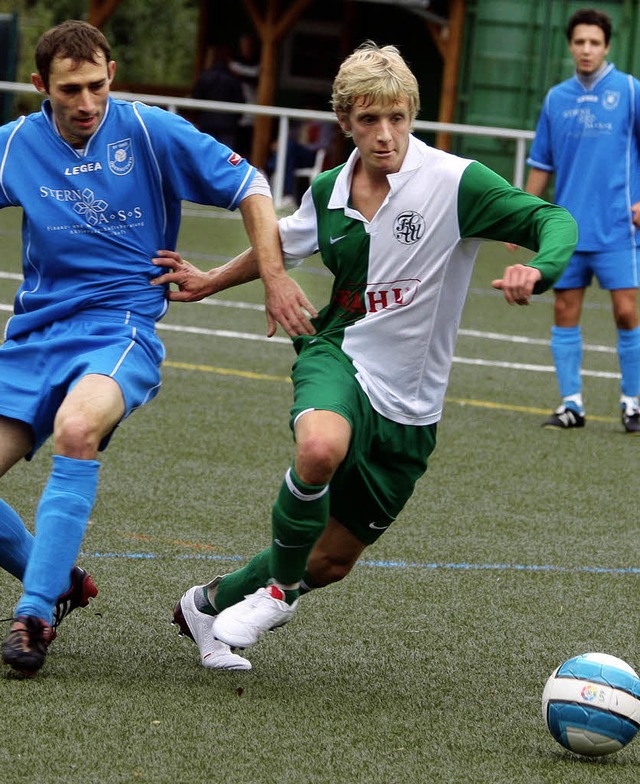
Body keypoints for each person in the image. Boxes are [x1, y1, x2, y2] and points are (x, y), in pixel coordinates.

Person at [154, 41, 577, 669]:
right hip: (338, 356)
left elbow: (553, 221)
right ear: (345, 122)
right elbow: (283, 244)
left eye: (398, 117)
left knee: (329, 560)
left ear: (413, 113)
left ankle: (208, 601)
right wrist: (211, 278)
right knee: (320, 448)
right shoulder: (328, 191)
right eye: (369, 119)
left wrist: (538, 271)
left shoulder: (455, 182)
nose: (386, 134)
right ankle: (280, 591)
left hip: (413, 407)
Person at [0, 19, 313, 677]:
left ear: (111, 73)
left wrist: (275, 276)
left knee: (77, 429)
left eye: (96, 84)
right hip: (32, 338)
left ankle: (33, 614)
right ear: (39, 87)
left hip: (121, 330)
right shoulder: (16, 146)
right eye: (69, 90)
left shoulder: (147, 131)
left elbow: (252, 185)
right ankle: (53, 576)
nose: (86, 102)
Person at [522, 8, 640, 432]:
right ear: (571, 46)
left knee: (627, 313)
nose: (586, 49)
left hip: (618, 227)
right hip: (566, 229)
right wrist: (519, 215)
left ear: (607, 46)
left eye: (594, 42)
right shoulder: (556, 98)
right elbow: (540, 164)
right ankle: (571, 404)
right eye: (579, 42)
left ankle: (633, 403)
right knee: (564, 308)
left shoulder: (629, 90)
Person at [191, 44, 245, 150]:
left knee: (204, 153)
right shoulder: (233, 79)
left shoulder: (204, 77)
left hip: (206, 123)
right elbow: (240, 102)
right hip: (227, 126)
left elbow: (195, 99)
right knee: (225, 158)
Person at [229, 33, 261, 160]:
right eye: (243, 45)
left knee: (248, 147)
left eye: (249, 45)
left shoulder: (258, 62)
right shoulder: (233, 62)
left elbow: (257, 73)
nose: (246, 48)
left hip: (251, 112)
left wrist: (238, 71)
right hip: (233, 114)